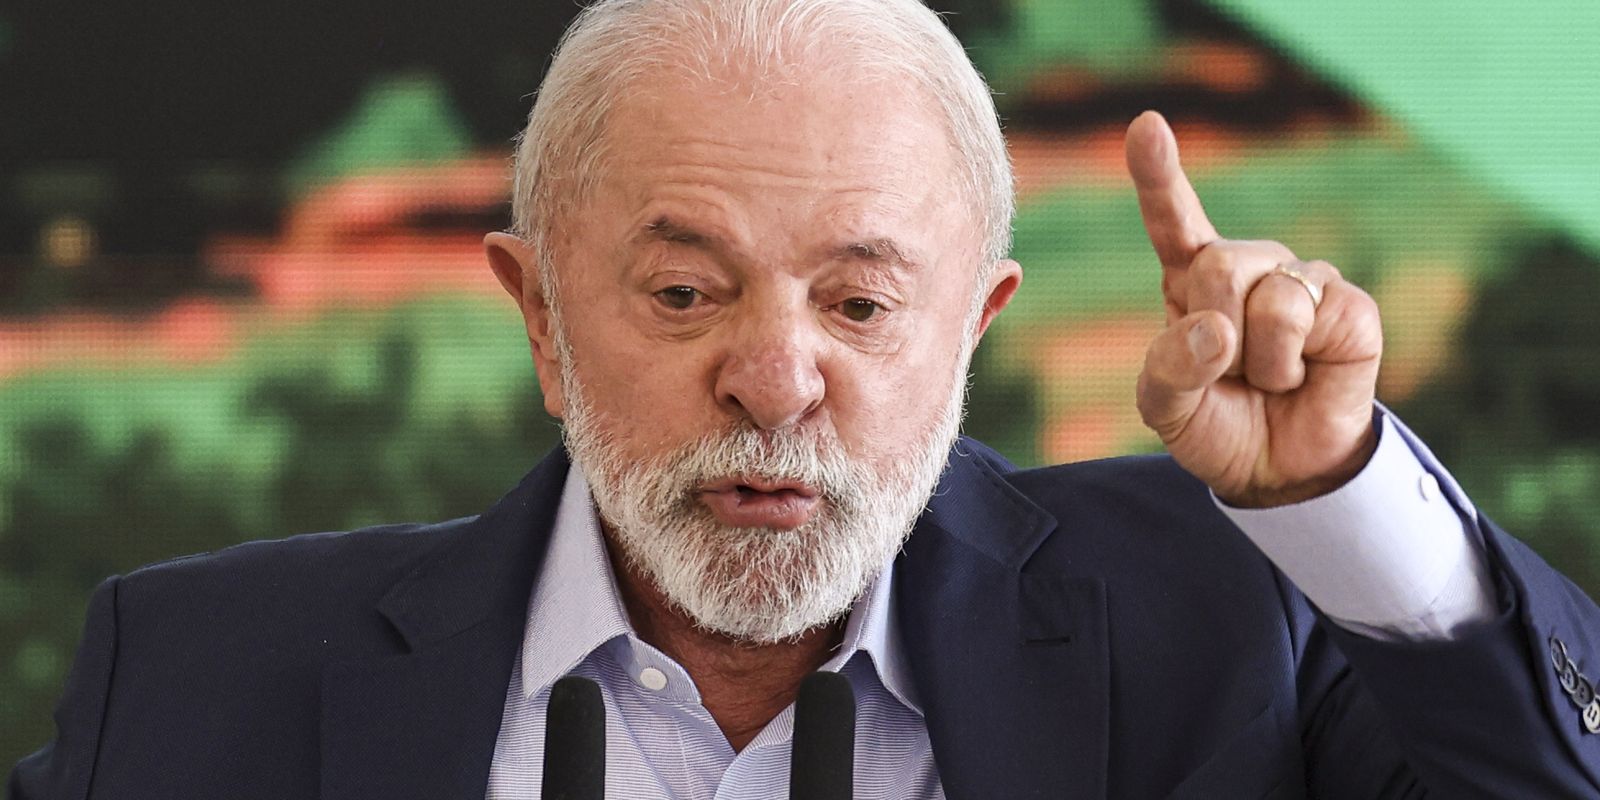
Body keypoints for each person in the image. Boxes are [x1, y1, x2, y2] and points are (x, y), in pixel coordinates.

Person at [11, 0, 1600, 797]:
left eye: (860, 303)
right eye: (683, 292)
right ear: (541, 317)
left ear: (972, 329)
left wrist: (1337, 495)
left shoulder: (1240, 617)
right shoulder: (191, 678)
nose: (775, 381)